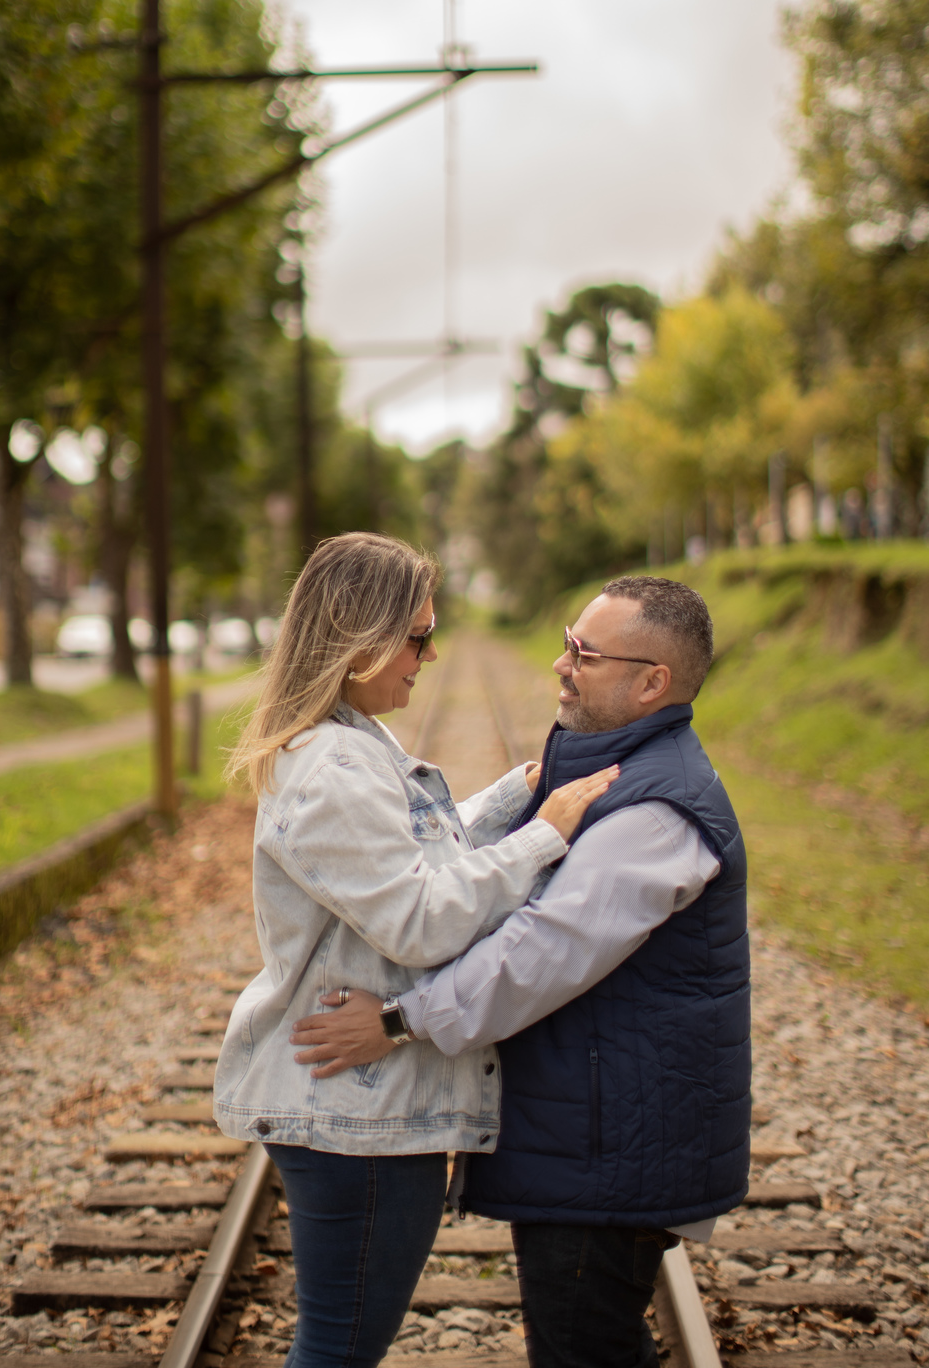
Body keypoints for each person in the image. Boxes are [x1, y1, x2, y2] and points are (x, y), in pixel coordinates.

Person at [290, 574, 751, 1368]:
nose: (560, 664)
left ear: (652, 684)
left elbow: (538, 953)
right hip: (593, 1128)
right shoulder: (608, 773)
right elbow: (440, 870)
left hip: (610, 1147)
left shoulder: (654, 813)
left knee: (586, 1348)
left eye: (585, 653)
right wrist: (525, 798)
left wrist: (399, 1022)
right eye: (569, 642)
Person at [214, 532, 618, 1368]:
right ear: (360, 641)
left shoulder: (351, 740)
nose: (430, 657)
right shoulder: (333, 766)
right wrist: (543, 836)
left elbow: (415, 857)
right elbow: (422, 919)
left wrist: (520, 791)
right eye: (418, 637)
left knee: (339, 1341)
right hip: (356, 1121)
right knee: (337, 1349)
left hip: (359, 1111)